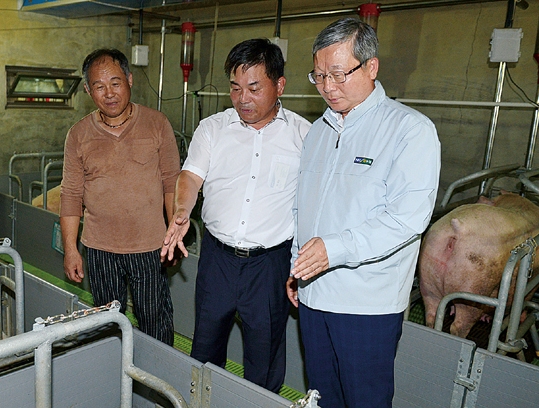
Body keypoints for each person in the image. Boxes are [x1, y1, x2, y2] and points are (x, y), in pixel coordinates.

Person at [286, 18, 441, 408]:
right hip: (314, 295)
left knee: (364, 401)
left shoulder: (409, 130)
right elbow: (302, 206)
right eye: (319, 76)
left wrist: (332, 251)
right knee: (321, 397)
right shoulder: (319, 131)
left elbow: (406, 218)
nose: (327, 87)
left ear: (371, 66)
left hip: (365, 306)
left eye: (339, 74)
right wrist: (297, 265)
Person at [162, 38, 311, 392]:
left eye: (254, 87)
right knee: (205, 344)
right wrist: (182, 210)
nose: (243, 98)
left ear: (280, 85)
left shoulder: (305, 136)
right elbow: (190, 176)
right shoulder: (213, 128)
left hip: (271, 264)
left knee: (265, 352)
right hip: (218, 260)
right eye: (235, 87)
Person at [60, 48, 180, 345]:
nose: (109, 93)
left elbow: (171, 184)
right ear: (88, 90)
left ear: (129, 79)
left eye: (115, 83)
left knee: (155, 321)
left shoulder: (156, 124)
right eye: (99, 86)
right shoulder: (79, 134)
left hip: (149, 246)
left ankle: (157, 385)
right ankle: (115, 380)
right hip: (99, 249)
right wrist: (71, 249)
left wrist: (173, 236)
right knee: (108, 323)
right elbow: (71, 195)